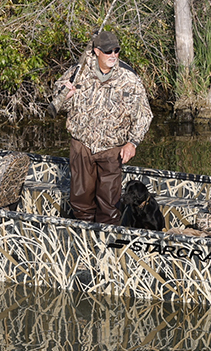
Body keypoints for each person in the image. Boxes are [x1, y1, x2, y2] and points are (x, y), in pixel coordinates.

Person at [52, 28, 152, 225]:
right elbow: (57, 101)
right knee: (80, 199)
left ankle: (107, 245)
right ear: (96, 51)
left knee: (110, 203)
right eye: (108, 51)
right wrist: (66, 95)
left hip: (112, 149)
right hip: (82, 146)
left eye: (116, 50)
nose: (113, 55)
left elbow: (144, 115)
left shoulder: (129, 78)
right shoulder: (77, 72)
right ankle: (83, 239)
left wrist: (132, 143)